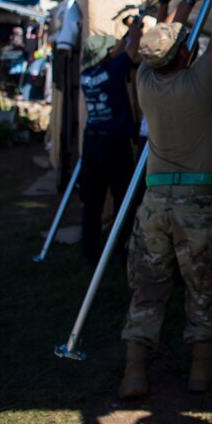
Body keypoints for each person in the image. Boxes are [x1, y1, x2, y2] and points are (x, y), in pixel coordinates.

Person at [118, 0, 212, 398]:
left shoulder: (146, 80)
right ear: (184, 56)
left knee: (147, 287)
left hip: (153, 203)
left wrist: (185, 0)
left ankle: (135, 373)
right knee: (204, 287)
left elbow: (162, 36)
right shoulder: (201, 81)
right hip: (197, 204)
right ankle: (200, 373)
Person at [78, 22, 141, 266]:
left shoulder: (86, 76)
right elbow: (132, 48)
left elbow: (114, 54)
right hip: (115, 145)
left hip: (92, 142)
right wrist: (134, 28)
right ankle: (119, 250)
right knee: (122, 198)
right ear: (106, 55)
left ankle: (90, 253)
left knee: (91, 203)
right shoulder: (114, 70)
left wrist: (122, 38)